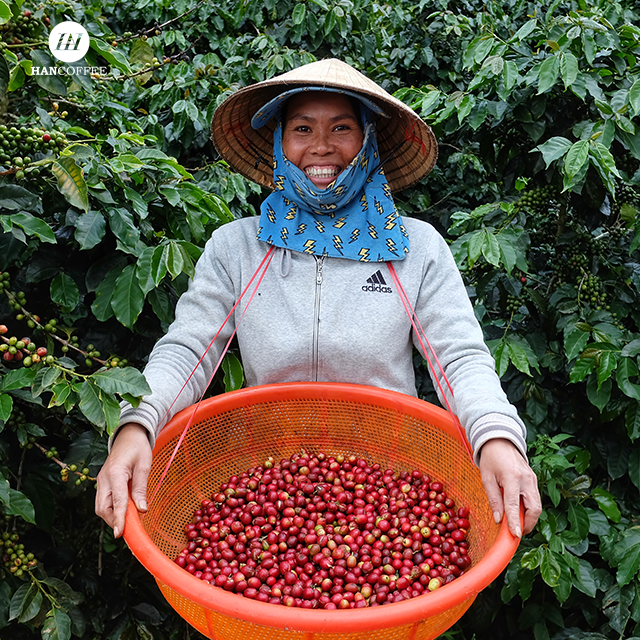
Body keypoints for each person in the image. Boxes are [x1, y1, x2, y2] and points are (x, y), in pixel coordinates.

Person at [95, 58, 541, 542]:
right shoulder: (237, 248)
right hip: (267, 484)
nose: (322, 146)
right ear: (280, 142)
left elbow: (459, 357)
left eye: (342, 127)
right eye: (302, 128)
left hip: (387, 483)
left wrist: (496, 435)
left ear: (367, 139)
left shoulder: (416, 248)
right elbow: (188, 349)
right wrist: (136, 424)